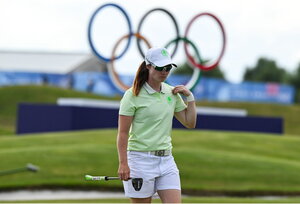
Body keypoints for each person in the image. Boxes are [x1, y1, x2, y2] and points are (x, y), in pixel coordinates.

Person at [117, 47, 197, 203]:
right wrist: (123, 163)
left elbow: (189, 122)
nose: (165, 72)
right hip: (140, 160)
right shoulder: (132, 95)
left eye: (168, 68)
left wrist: (190, 98)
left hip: (166, 160)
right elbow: (123, 133)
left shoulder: (171, 93)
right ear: (148, 66)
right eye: (160, 68)